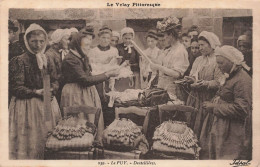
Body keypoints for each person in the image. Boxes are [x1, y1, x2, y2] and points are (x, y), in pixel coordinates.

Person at [9, 23, 61, 159]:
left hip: (47, 103)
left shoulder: (47, 58)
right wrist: (36, 92)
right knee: (31, 140)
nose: (38, 45)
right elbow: (16, 87)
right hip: (28, 106)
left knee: (48, 136)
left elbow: (55, 80)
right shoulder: (19, 61)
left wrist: (51, 90)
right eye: (34, 41)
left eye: (41, 41)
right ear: (27, 41)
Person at [60, 26, 120, 141]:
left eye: (89, 45)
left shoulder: (81, 56)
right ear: (77, 45)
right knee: (79, 122)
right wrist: (107, 74)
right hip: (75, 93)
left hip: (84, 92)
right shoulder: (70, 59)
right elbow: (85, 80)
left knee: (89, 119)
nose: (89, 48)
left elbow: (88, 75)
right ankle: (81, 144)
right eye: (86, 46)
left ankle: (90, 142)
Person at [200, 46, 252, 160]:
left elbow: (242, 109)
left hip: (232, 129)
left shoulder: (242, 80)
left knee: (227, 156)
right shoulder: (230, 75)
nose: (218, 66)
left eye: (221, 63)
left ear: (232, 61)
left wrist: (214, 107)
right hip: (222, 123)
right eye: (217, 63)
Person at [185, 31, 224, 139]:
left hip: (208, 98)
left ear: (211, 44)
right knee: (191, 122)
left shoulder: (217, 60)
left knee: (204, 127)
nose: (200, 48)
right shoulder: (198, 60)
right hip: (194, 98)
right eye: (199, 45)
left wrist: (206, 84)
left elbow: (219, 82)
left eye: (202, 45)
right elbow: (193, 75)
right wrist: (190, 80)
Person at [151, 16, 189, 101]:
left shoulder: (180, 50)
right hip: (163, 87)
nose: (164, 38)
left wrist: (158, 67)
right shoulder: (170, 49)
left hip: (172, 89)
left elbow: (177, 74)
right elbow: (165, 65)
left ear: (171, 35)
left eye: (165, 35)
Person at [45, 29, 71, 105]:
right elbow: (54, 77)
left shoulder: (61, 52)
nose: (68, 42)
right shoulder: (50, 55)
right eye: (66, 39)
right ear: (58, 40)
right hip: (56, 91)